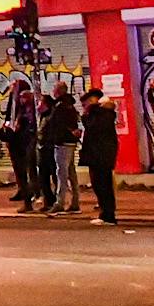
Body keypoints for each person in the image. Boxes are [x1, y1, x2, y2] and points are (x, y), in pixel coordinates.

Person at [39, 83, 80, 215]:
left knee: (61, 173)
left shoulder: (60, 107)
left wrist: (53, 137)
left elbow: (56, 124)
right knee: (71, 172)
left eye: (55, 89)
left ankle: (60, 202)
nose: (53, 92)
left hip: (62, 142)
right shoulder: (70, 105)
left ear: (58, 92)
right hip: (69, 142)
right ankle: (75, 201)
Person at [80, 86, 119, 225]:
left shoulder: (102, 114)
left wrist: (87, 114)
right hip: (97, 154)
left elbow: (93, 128)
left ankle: (108, 215)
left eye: (86, 103)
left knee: (103, 185)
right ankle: (105, 213)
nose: (85, 106)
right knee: (99, 185)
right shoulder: (99, 113)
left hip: (101, 155)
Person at [1, 78, 38, 209]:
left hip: (23, 139)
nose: (11, 88)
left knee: (28, 167)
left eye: (14, 85)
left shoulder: (26, 102)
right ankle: (22, 189)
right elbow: (8, 115)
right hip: (13, 136)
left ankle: (31, 192)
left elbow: (30, 120)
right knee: (17, 166)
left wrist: (20, 123)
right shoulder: (12, 100)